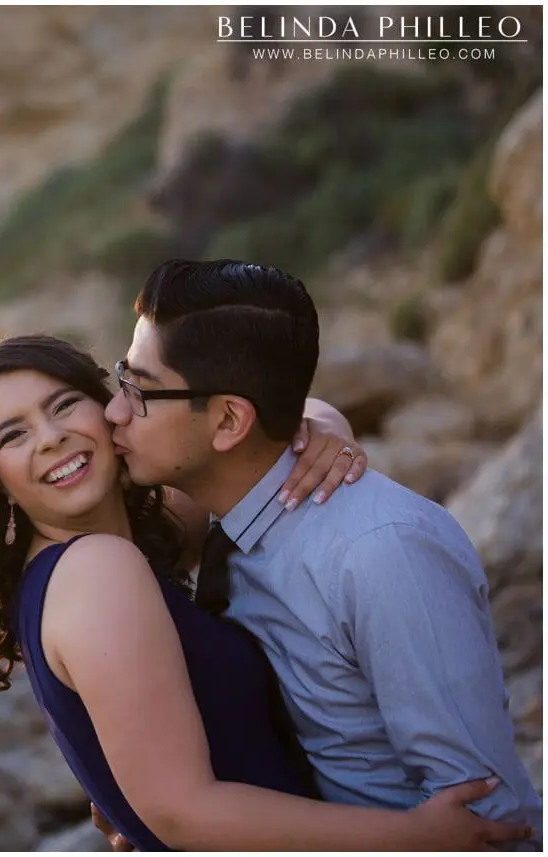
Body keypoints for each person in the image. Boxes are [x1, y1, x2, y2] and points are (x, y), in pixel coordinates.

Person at [0, 332, 534, 850]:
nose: (50, 438)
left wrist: (322, 430)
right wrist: (409, 837)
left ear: (111, 411)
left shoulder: (135, 533)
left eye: (64, 406)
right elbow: (179, 810)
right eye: (12, 436)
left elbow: (248, 445)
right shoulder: (97, 570)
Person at [95, 258, 542, 849]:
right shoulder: (226, 524)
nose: (114, 412)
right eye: (121, 378)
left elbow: (487, 819)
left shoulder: (381, 553)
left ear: (229, 420)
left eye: (140, 392)